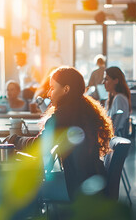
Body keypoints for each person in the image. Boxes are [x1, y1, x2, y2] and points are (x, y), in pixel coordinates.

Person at [7, 67, 114, 200]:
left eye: (52, 88)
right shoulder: (81, 109)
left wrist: (15, 140)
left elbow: (39, 145)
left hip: (78, 186)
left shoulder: (64, 114)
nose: (49, 93)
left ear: (66, 90)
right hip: (91, 179)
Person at [103, 66, 132, 137]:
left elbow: (114, 126)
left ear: (116, 80)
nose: (103, 82)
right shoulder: (112, 99)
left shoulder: (119, 98)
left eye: (106, 79)